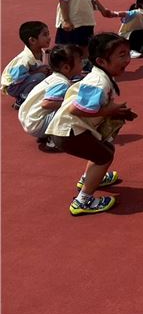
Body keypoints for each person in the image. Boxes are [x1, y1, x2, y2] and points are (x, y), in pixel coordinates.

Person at [45, 33, 137, 215]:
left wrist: (114, 112)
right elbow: (76, 109)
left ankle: (90, 178)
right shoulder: (97, 82)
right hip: (69, 132)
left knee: (104, 150)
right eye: (121, 55)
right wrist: (110, 110)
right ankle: (83, 200)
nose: (128, 59)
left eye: (128, 53)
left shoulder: (102, 76)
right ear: (101, 61)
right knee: (104, 156)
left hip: (72, 130)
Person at [17, 45, 83, 151]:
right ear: (66, 68)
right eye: (80, 61)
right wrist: (69, 102)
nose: (82, 64)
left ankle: (46, 133)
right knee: (71, 105)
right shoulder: (62, 83)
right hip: (37, 124)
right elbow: (46, 103)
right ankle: (54, 141)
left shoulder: (54, 78)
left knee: (67, 101)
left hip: (29, 119)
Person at [2, 21, 51, 108]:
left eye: (48, 34)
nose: (49, 37)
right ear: (32, 40)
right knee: (40, 76)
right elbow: (14, 80)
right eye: (45, 35)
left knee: (47, 72)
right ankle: (22, 98)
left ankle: (32, 94)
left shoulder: (41, 53)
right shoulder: (24, 60)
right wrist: (36, 72)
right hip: (13, 86)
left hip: (25, 81)